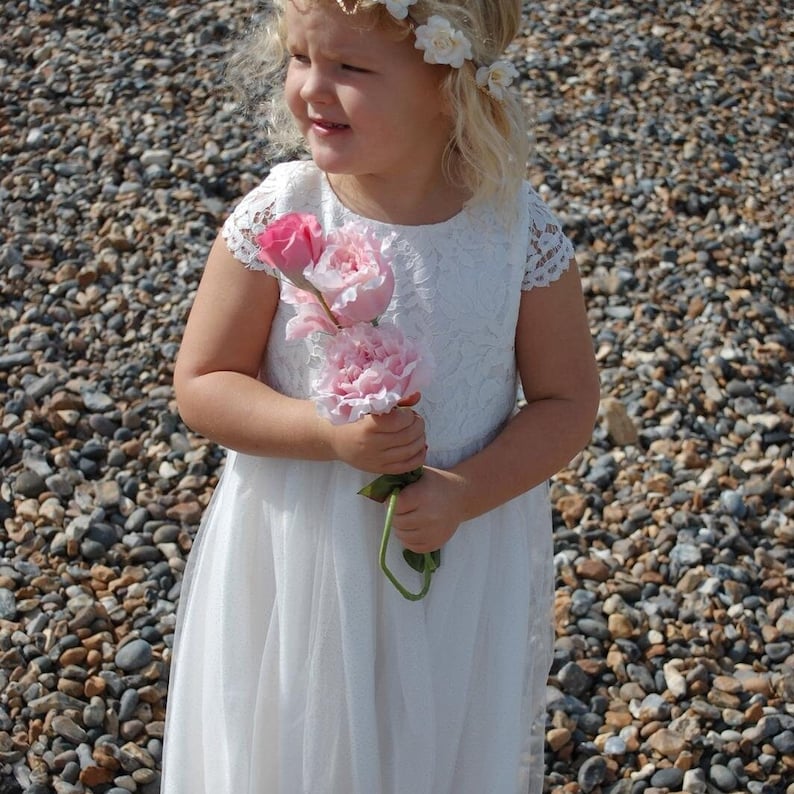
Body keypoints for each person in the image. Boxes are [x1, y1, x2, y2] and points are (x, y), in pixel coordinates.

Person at [161, 1, 599, 792]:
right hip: (303, 553)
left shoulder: (513, 233)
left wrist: (468, 491)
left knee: (431, 744)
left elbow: (568, 401)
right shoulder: (285, 212)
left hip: (451, 548)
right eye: (299, 58)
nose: (309, 90)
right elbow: (203, 384)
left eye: (350, 69)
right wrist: (324, 433)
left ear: (450, 82)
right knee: (297, 737)